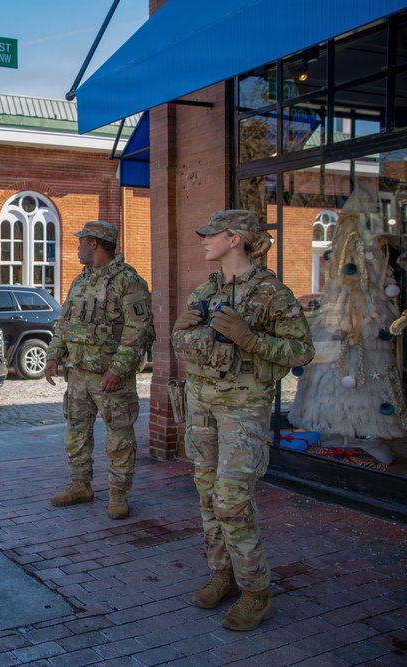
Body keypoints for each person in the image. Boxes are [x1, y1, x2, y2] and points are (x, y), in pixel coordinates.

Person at [171, 210, 314, 632]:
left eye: (210, 234)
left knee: (231, 500)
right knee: (206, 494)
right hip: (202, 405)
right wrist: (192, 339)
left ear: (235, 239)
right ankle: (223, 574)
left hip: (242, 410)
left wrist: (248, 339)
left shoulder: (272, 293)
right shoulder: (208, 288)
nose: (203, 241)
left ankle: (256, 593)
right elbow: (179, 339)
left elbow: (301, 352)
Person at [44, 220, 154, 520]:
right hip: (78, 374)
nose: (77, 247)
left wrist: (118, 370)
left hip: (110, 378)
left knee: (119, 437)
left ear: (94, 244)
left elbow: (138, 330)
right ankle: (81, 486)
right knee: (76, 434)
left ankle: (118, 494)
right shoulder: (80, 281)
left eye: (81, 242)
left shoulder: (127, 281)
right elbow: (65, 323)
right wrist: (54, 355)